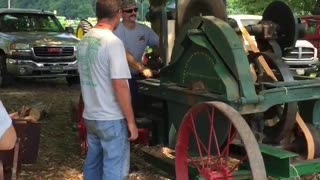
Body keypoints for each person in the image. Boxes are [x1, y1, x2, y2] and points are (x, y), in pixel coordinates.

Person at [76, 0, 138, 179]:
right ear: (119, 13)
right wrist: (131, 122)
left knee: (93, 165)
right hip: (111, 117)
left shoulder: (84, 41)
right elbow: (120, 86)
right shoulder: (113, 43)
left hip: (91, 116)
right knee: (114, 169)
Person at [114, 0, 159, 114]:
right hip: (122, 76)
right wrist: (142, 69)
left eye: (135, 10)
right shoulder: (117, 31)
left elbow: (161, 43)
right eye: (129, 11)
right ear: (121, 13)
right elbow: (125, 54)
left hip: (138, 73)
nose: (133, 13)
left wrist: (157, 56)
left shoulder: (144, 30)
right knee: (134, 103)